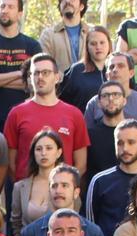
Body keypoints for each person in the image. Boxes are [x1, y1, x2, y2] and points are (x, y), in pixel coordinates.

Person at [7, 54, 90, 186]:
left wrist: (64, 185)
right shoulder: (16, 113)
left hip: (63, 193)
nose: (40, 77)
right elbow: (10, 163)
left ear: (57, 77)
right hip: (27, 192)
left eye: (46, 73)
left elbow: (81, 164)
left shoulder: (74, 114)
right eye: (36, 73)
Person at [17, 164, 107, 236]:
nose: (58, 191)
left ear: (76, 192)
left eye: (64, 185)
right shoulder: (31, 233)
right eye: (54, 186)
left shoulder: (94, 233)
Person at [0, 0, 42, 132]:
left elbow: (34, 83)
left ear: (20, 13)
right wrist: (20, 74)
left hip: (24, 116)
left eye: (10, 7)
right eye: (2, 6)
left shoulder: (32, 46)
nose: (5, 10)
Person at [86, 119, 137, 236]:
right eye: (120, 143)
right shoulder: (100, 181)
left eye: (131, 142)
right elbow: (90, 226)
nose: (125, 148)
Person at [82, 52, 137, 137]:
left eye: (121, 66)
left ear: (131, 73)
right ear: (107, 75)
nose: (115, 70)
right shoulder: (95, 103)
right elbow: (86, 138)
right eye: (111, 67)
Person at [10, 129, 65, 234]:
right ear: (33, 153)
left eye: (49, 148)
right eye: (39, 149)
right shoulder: (20, 187)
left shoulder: (68, 185)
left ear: (58, 152)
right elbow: (16, 223)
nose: (43, 153)